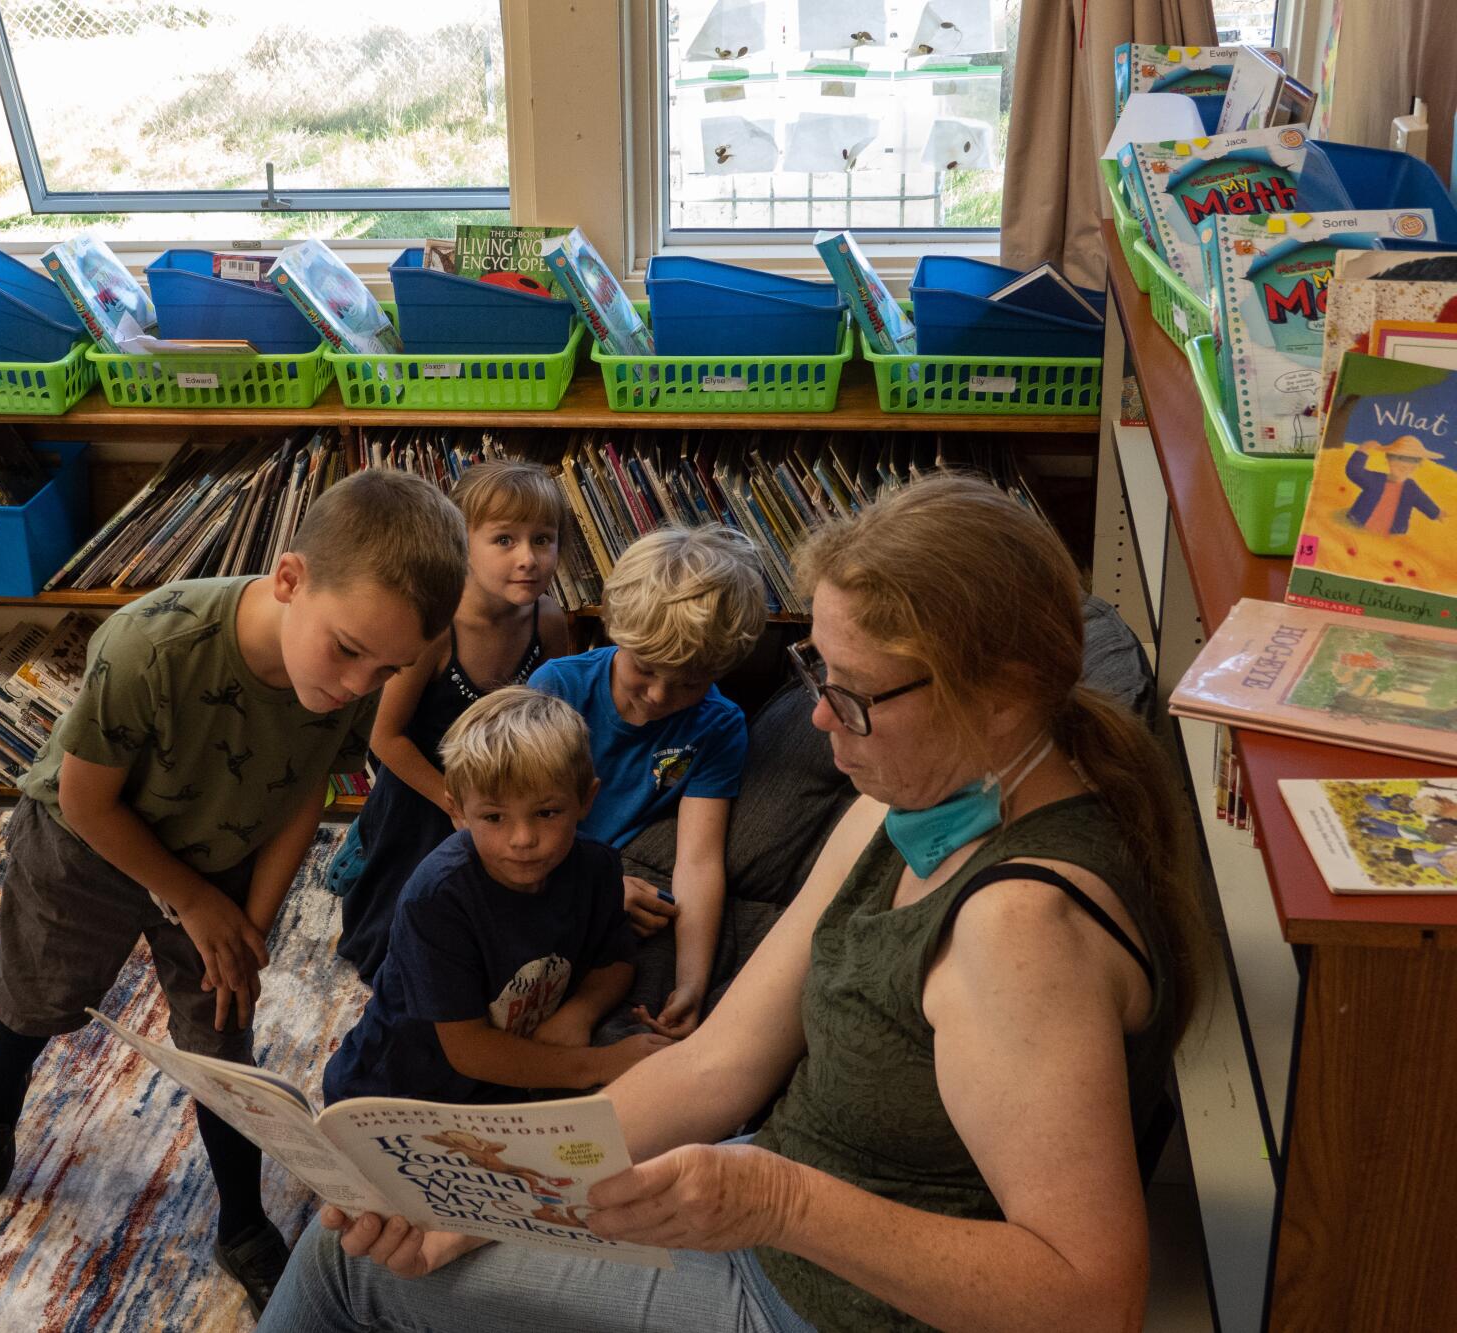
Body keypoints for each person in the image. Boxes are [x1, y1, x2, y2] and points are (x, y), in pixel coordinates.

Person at [256, 474, 1210, 1333]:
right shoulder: (909, 798)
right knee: (387, 1237)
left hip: (816, 1298)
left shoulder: (1020, 933)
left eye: (858, 695)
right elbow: (720, 1063)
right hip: (780, 1218)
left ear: (1001, 696)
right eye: (817, 677)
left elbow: (1092, 1299)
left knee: (343, 1274)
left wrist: (780, 1203)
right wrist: (491, 1192)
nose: (824, 717)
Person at [0, 469, 467, 1318]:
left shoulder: (345, 680)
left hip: (226, 856)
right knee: (38, 1001)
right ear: (290, 579)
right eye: (346, 650)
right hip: (86, 850)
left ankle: (241, 1220)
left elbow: (306, 793)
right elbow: (84, 800)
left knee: (225, 1047)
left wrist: (248, 928)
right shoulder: (152, 644)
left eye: (387, 671)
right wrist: (191, 901)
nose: (356, 686)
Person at [323, 688, 666, 1106]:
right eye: (493, 817)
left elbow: (614, 961)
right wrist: (594, 1064)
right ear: (458, 811)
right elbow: (470, 1049)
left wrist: (580, 1013)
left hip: (503, 1091)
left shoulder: (598, 868)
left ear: (586, 800)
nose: (523, 840)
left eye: (547, 813)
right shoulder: (436, 898)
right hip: (395, 1092)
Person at [335, 461, 574, 980]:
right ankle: (367, 852)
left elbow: (558, 716)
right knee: (412, 928)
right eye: (504, 540)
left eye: (544, 539)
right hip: (426, 791)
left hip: (509, 790)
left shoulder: (549, 620)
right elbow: (385, 738)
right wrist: (455, 802)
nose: (529, 558)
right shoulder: (434, 630)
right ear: (462, 544)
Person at [528, 525, 766, 1041]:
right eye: (646, 669)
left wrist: (692, 983)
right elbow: (513, 824)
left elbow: (699, 860)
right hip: (538, 870)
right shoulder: (557, 688)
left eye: (689, 682)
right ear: (616, 630)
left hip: (611, 904)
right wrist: (593, 889)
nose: (659, 696)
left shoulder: (719, 725)